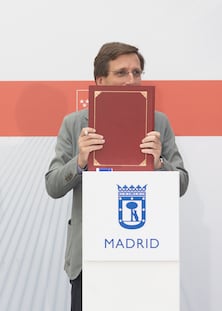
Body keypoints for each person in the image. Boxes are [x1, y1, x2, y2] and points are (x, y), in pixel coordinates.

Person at [45, 42, 189, 311]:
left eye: (137, 72)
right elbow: (53, 186)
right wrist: (79, 162)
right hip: (90, 256)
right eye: (122, 73)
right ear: (101, 80)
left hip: (145, 251)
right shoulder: (75, 123)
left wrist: (159, 165)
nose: (131, 80)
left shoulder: (159, 122)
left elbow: (180, 184)